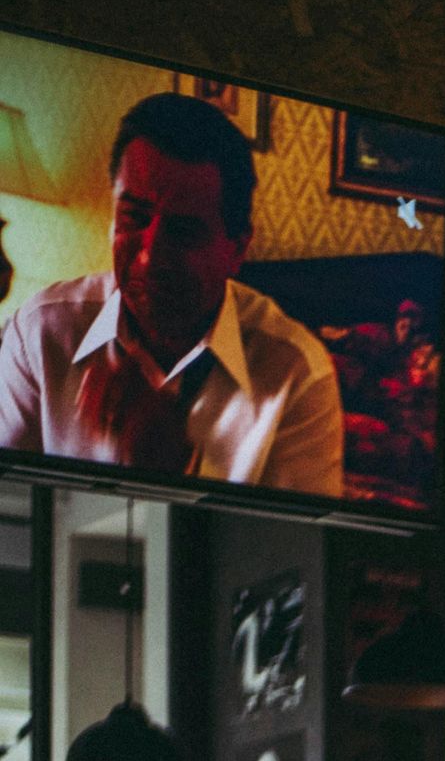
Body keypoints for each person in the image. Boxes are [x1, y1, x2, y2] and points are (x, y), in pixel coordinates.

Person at [0, 93, 342, 497]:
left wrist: (179, 468)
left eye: (183, 232)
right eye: (134, 217)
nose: (148, 257)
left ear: (237, 250)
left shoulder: (298, 376)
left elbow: (296, 552)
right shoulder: (41, 332)